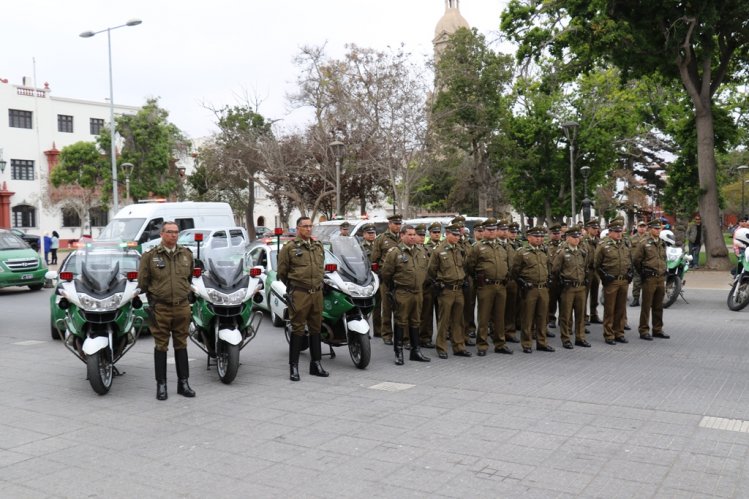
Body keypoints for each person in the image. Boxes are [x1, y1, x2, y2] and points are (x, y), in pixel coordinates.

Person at [138, 221, 196, 400]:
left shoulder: (186, 254)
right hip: (160, 307)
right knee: (161, 346)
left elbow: (189, 277)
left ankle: (183, 383)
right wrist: (154, 302)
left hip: (182, 307)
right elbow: (143, 283)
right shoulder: (150, 255)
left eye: (176, 232)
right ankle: (161, 385)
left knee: (181, 344)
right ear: (162, 234)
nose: (174, 235)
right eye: (170, 232)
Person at [277, 216, 329, 381]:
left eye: (310, 226)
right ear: (298, 228)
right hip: (300, 293)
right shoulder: (289, 248)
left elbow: (321, 268)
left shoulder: (317, 246)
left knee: (316, 328)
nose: (308, 229)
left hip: (317, 292)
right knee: (298, 329)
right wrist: (294, 288)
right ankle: (294, 367)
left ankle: (316, 364)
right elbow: (282, 272)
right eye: (305, 226)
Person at [381, 224, 431, 365]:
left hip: (418, 292)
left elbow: (425, 270)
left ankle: (415, 351)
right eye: (409, 234)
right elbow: (386, 274)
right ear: (402, 236)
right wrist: (394, 289)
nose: (412, 237)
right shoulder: (395, 252)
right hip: (402, 292)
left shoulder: (420, 251)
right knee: (400, 322)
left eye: (414, 234)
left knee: (415, 321)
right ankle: (399, 352)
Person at [467, 217, 513, 356]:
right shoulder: (477, 247)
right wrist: (478, 279)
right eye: (489, 230)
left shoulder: (501, 247)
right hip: (485, 286)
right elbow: (470, 266)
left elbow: (507, 264)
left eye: (494, 230)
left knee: (500, 316)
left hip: (500, 285)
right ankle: (482, 344)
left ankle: (500, 343)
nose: (492, 232)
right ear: (484, 231)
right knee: (484, 316)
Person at [427, 223, 472, 359]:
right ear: (447, 234)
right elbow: (431, 270)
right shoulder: (438, 250)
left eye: (459, 235)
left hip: (458, 289)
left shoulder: (459, 249)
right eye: (455, 235)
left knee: (458, 320)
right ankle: (441, 347)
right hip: (446, 289)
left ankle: (459, 346)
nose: (458, 237)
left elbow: (464, 266)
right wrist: (438, 283)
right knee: (444, 321)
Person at [513, 226, 555, 354]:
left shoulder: (544, 251)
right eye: (536, 237)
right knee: (528, 317)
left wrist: (548, 279)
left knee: (542, 317)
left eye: (541, 237)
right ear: (529, 237)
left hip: (543, 288)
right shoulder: (522, 252)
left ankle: (542, 342)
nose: (539, 239)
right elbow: (515, 271)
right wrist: (522, 283)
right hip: (529, 289)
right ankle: (527, 343)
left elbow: (548, 267)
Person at [594, 219, 632, 345]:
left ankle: (619, 333)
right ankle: (609, 334)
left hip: (623, 281)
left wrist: (630, 272)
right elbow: (596, 264)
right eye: (616, 232)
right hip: (611, 281)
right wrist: (604, 276)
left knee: (621, 309)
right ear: (610, 232)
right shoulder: (603, 245)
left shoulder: (624, 244)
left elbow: (629, 260)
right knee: (609, 310)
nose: (618, 234)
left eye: (620, 231)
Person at [552, 224, 590, 348]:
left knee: (580, 314)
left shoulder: (581, 252)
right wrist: (561, 283)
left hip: (580, 288)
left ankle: (580, 337)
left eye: (578, 237)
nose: (577, 239)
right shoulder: (562, 253)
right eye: (574, 237)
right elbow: (555, 270)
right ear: (568, 238)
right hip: (568, 288)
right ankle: (566, 338)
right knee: (566, 315)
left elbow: (585, 268)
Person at [633, 220, 669, 340]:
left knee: (658, 305)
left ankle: (657, 329)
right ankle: (643, 330)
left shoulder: (662, 243)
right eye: (655, 228)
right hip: (649, 278)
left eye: (659, 229)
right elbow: (636, 260)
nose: (658, 231)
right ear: (650, 229)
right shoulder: (644, 243)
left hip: (660, 278)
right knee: (646, 305)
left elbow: (663, 258)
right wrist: (643, 273)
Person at [371, 214, 402, 344]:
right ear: (389, 224)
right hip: (386, 279)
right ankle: (387, 334)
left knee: (400, 308)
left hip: (401, 278)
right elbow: (374, 260)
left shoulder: (404, 237)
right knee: (387, 307)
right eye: (395, 224)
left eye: (399, 224)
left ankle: (402, 335)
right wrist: (380, 274)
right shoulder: (381, 239)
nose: (397, 226)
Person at [419, 222, 442, 348]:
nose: (437, 234)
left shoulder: (444, 247)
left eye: (438, 232)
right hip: (428, 285)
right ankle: (425, 338)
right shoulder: (424, 247)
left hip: (440, 285)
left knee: (441, 313)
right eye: (434, 232)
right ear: (430, 234)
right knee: (427, 314)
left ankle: (441, 338)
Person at [583, 220, 602, 324]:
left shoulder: (598, 241)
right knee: (584, 295)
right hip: (587, 270)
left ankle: (594, 314)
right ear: (588, 229)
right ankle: (584, 317)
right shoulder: (583, 240)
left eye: (597, 228)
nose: (596, 230)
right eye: (593, 228)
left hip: (596, 270)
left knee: (595, 293)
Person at [546, 224, 563, 331]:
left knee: (563, 300)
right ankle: (551, 318)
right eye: (554, 233)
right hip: (552, 277)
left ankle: (563, 319)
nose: (556, 235)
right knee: (551, 299)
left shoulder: (564, 246)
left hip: (563, 276)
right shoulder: (546, 246)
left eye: (558, 233)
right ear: (550, 234)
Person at [629, 221, 647, 306]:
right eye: (640, 226)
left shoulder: (649, 237)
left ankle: (646, 299)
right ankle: (636, 299)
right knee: (636, 281)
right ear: (637, 227)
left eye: (643, 226)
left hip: (646, 262)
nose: (642, 228)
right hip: (636, 262)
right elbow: (628, 250)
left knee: (647, 282)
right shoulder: (632, 238)